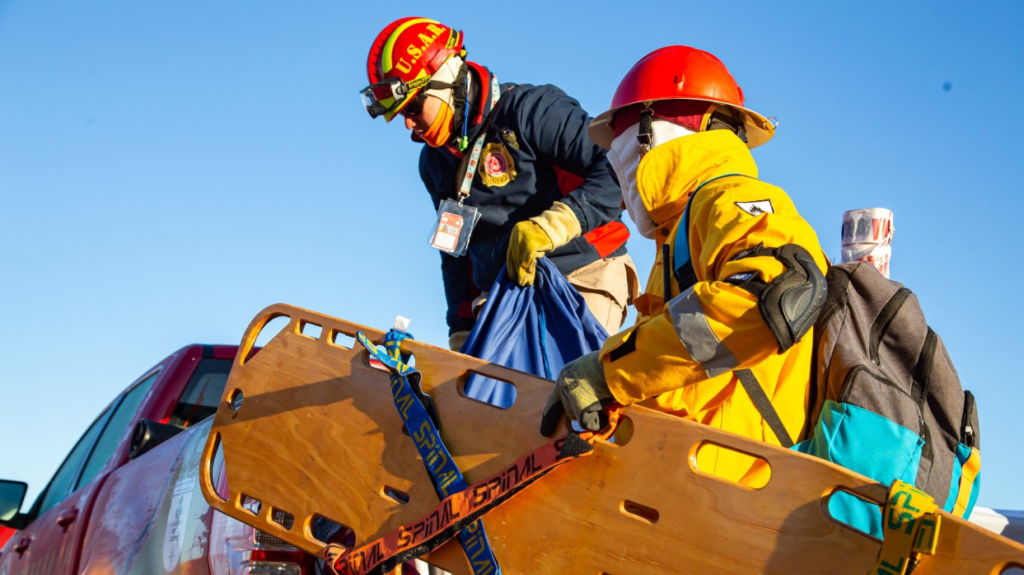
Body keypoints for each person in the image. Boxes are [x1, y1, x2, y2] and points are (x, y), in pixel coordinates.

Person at [540, 46, 829, 487]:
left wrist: (611, 369)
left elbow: (775, 297)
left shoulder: (727, 198)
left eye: (622, 157)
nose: (621, 179)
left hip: (732, 486)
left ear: (651, 136)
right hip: (691, 476)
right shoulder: (677, 233)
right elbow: (683, 364)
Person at [361, 17, 638, 350]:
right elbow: (454, 249)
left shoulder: (531, 110)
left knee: (562, 392)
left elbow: (616, 167)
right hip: (501, 299)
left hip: (583, 274)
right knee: (480, 400)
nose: (409, 124)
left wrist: (557, 224)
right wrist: (460, 326)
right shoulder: (434, 163)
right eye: (399, 114)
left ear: (447, 79)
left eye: (414, 107)